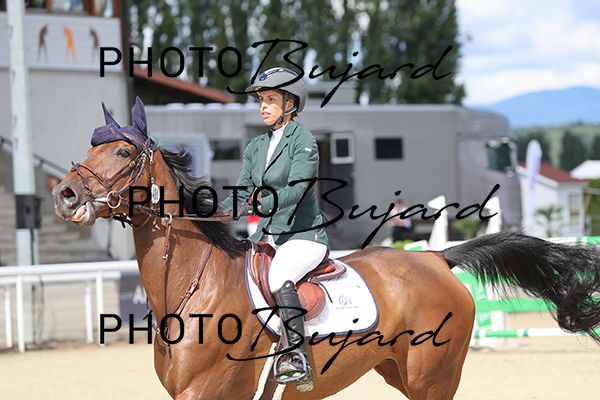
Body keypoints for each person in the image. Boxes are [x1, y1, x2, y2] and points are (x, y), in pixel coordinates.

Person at [220, 67, 328, 392]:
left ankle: (296, 356)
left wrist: (257, 206)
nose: (263, 106)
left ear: (290, 104)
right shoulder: (256, 146)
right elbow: (241, 189)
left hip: (302, 236)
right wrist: (213, 210)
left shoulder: (304, 142)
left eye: (270, 99)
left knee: (280, 276)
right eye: (261, 100)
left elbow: (296, 191)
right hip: (265, 237)